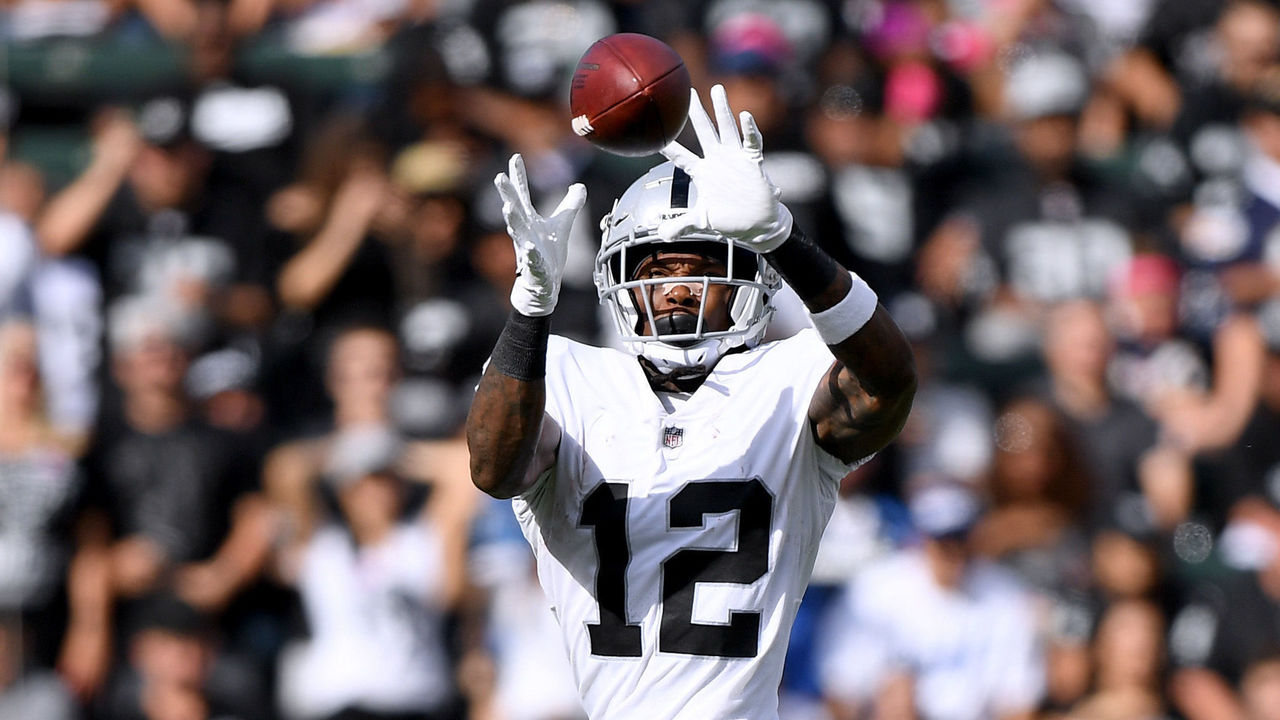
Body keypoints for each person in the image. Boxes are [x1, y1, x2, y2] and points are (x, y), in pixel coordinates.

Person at [465, 85, 917, 719]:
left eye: (701, 266)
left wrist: (783, 238)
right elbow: (493, 467)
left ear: (752, 277)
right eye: (655, 270)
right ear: (618, 282)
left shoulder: (788, 379)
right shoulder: (565, 371)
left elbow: (888, 381)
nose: (677, 290)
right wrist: (529, 312)